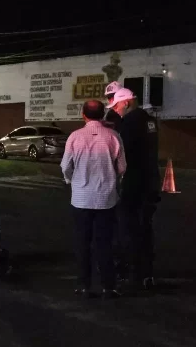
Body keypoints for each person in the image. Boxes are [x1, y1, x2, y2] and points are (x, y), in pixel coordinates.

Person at [61, 100, 126, 299]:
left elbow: (65, 166)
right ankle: (108, 286)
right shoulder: (114, 136)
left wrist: (72, 180)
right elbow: (122, 166)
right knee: (104, 243)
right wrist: (113, 179)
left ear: (84, 115)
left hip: (81, 199)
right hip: (106, 199)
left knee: (82, 242)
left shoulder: (75, 137)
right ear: (102, 114)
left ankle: (84, 285)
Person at [107, 87, 161, 290]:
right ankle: (147, 273)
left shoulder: (129, 123)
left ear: (127, 103)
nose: (116, 110)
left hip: (133, 183)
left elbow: (122, 153)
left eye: (117, 106)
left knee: (127, 227)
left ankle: (131, 271)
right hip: (151, 183)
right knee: (146, 228)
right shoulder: (150, 121)